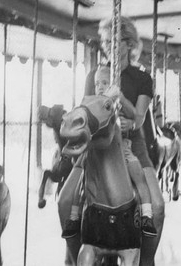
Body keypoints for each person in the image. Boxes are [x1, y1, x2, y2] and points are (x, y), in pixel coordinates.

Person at [58, 16, 165, 266]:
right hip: (98, 146)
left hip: (133, 145)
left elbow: (138, 119)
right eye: (105, 41)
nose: (107, 46)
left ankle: (147, 261)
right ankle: (74, 257)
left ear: (129, 44)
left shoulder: (142, 79)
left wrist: (118, 97)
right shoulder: (95, 75)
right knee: (65, 200)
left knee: (157, 206)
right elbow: (87, 110)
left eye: (114, 41)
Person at [61, 65, 157, 238]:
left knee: (138, 175)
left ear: (113, 84)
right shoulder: (90, 102)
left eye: (105, 82)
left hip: (123, 146)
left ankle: (147, 215)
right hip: (94, 149)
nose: (100, 86)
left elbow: (136, 116)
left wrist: (121, 101)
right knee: (82, 181)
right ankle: (74, 217)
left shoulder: (116, 101)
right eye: (97, 83)